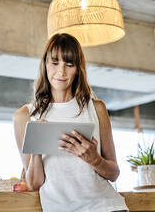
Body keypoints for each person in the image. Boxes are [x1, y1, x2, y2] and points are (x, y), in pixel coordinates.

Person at [14, 33, 128, 212]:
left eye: (69, 64)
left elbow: (114, 173)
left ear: (78, 69)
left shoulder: (96, 109)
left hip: (106, 207)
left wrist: (94, 159)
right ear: (45, 64)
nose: (61, 71)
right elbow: (34, 183)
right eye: (54, 62)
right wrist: (36, 147)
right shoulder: (25, 116)